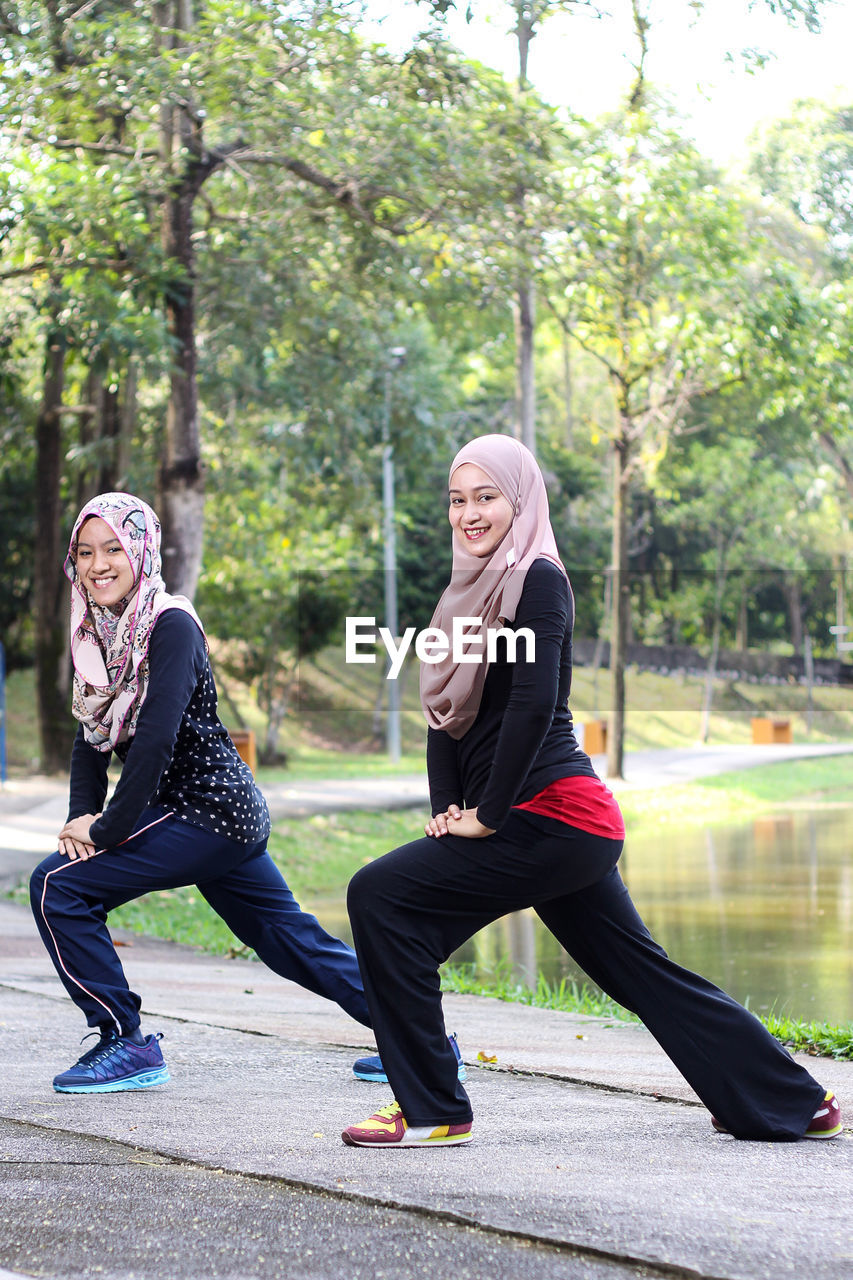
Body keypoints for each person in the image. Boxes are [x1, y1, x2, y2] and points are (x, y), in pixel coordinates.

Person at [341, 434, 843, 1148]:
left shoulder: (536, 579)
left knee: (381, 897)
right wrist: (445, 809)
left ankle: (432, 1110)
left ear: (520, 501)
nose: (469, 514)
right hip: (542, 825)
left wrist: (487, 815)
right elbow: (444, 718)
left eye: (486, 498)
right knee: (638, 972)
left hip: (552, 816)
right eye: (457, 500)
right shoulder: (464, 592)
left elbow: (534, 704)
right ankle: (793, 1100)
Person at [30, 492, 373, 1093]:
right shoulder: (99, 633)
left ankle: (124, 1042)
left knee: (57, 887)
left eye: (113, 548)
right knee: (290, 940)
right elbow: (93, 737)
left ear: (142, 550)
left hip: (204, 810)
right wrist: (79, 816)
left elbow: (156, 740)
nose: (98, 564)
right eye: (85, 552)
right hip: (213, 816)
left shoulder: (171, 626)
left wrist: (105, 830)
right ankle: (421, 1039)